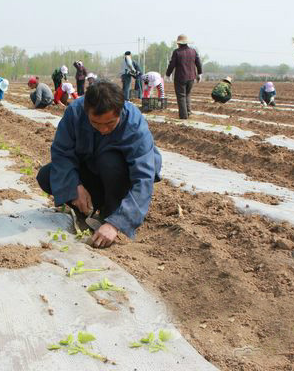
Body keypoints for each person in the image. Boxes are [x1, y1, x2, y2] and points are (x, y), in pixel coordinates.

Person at [36, 81, 162, 248]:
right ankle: (86, 209)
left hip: (120, 177)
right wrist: (75, 186)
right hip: (93, 171)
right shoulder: (75, 112)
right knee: (47, 175)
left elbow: (143, 177)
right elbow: (62, 153)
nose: (103, 129)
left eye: (110, 124)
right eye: (96, 123)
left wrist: (116, 223)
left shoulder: (134, 123)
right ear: (86, 111)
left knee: (109, 161)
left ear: (120, 111)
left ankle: (112, 214)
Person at [166, 34, 203, 119]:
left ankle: (183, 116)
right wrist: (199, 74)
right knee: (188, 94)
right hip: (191, 78)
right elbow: (198, 63)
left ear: (178, 43)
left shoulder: (177, 52)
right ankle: (188, 112)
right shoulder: (193, 51)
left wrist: (168, 74)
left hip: (180, 77)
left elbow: (172, 64)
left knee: (181, 96)